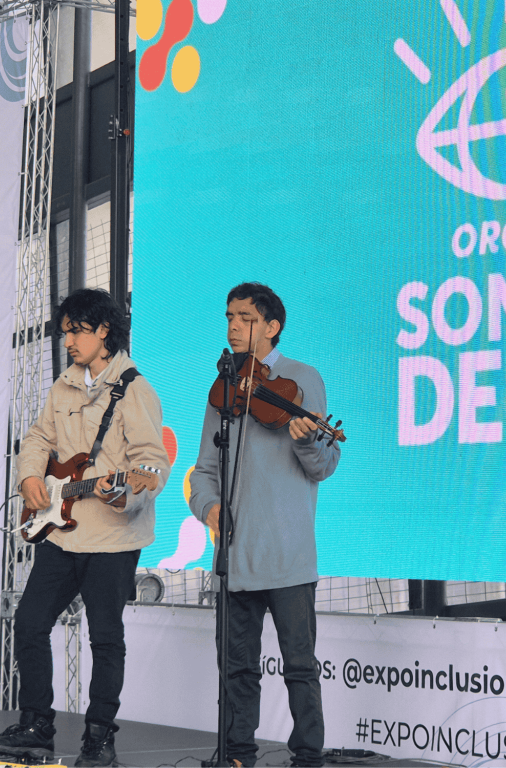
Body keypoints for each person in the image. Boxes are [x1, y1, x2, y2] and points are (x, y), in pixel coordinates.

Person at [0, 288, 170, 767]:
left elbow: (152, 464)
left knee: (105, 638)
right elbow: (38, 438)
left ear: (105, 330)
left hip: (114, 540)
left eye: (76, 331)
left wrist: (124, 492)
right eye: (65, 332)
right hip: (61, 534)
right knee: (29, 622)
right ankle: (35, 726)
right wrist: (29, 477)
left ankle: (99, 739)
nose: (67, 341)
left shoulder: (136, 390)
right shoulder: (62, 386)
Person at [189, 283, 341, 768]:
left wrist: (306, 441)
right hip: (234, 556)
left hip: (288, 553)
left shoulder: (303, 379)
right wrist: (210, 508)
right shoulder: (223, 385)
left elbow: (324, 465)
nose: (233, 326)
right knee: (236, 668)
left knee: (299, 667)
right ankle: (237, 755)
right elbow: (204, 472)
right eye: (229, 317)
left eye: (246, 318)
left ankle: (308, 757)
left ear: (272, 327)